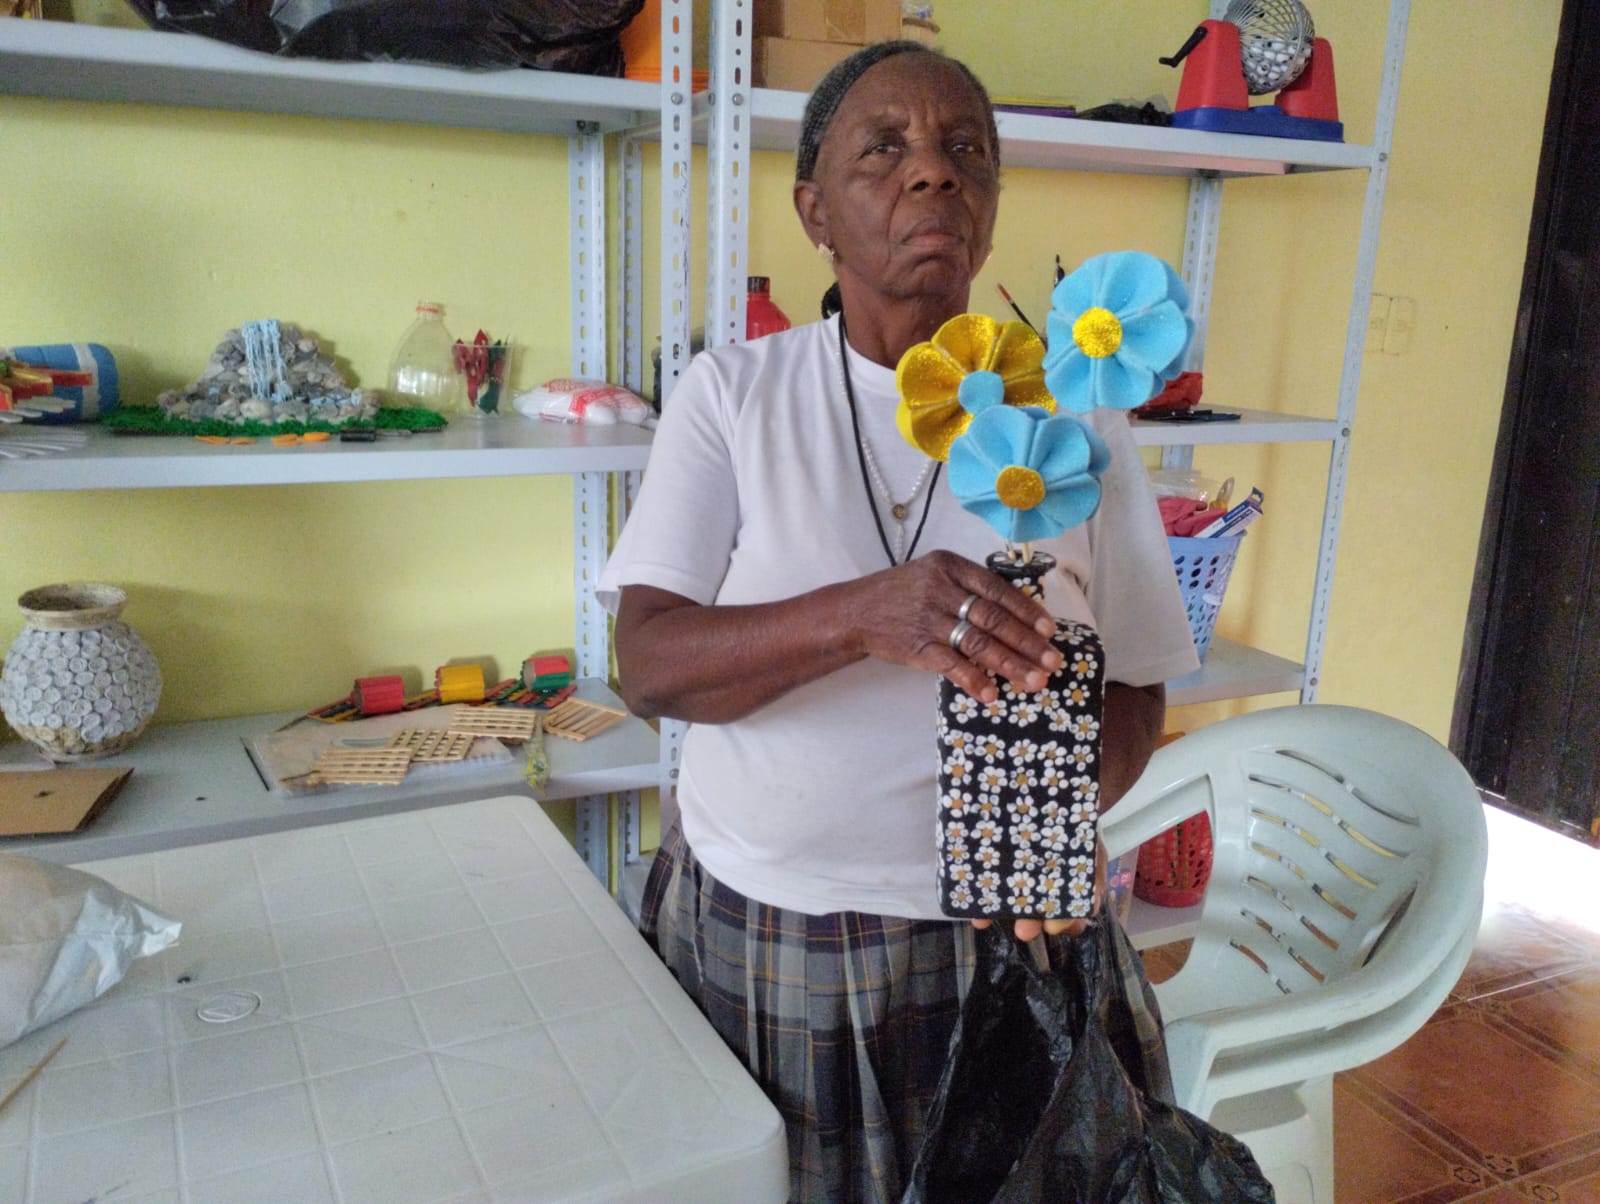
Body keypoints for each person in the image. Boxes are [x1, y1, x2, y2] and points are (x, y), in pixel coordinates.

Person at [597, 41, 1199, 1204]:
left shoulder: (1075, 414)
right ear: (813, 210)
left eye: (964, 149)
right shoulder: (735, 397)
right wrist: (862, 616)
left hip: (1015, 940)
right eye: (885, 149)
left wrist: (1048, 820)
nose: (934, 173)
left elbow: (1134, 681)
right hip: (781, 932)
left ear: (990, 207)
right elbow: (649, 665)